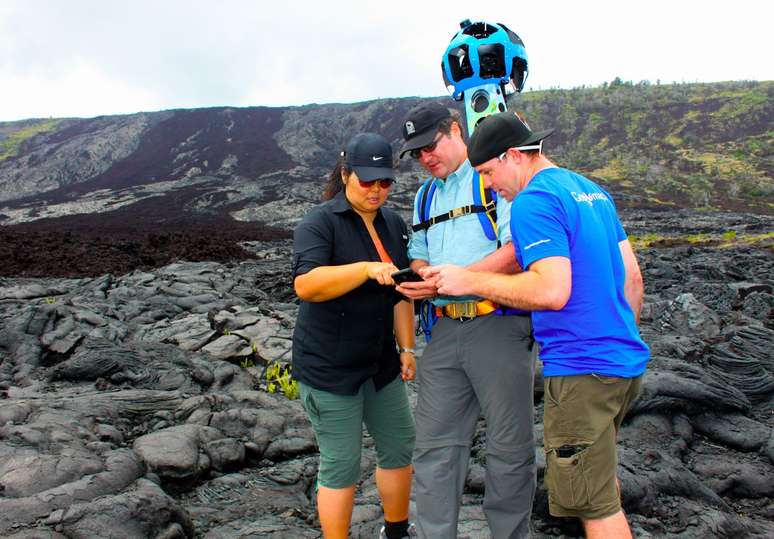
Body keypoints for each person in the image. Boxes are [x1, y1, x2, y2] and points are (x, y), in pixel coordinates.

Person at [423, 111, 650, 539]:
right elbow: (633, 278)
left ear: (513, 156)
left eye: (489, 172)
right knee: (600, 481)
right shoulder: (589, 191)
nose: (491, 186)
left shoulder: (533, 200)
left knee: (594, 506)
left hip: (581, 368)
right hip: (622, 363)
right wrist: (619, 342)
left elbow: (552, 291)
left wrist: (468, 280)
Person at [395, 103, 536, 539]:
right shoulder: (424, 196)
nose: (424, 158)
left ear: (455, 130)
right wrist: (424, 277)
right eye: (416, 153)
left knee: (509, 448)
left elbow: (518, 251)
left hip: (498, 325)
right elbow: (418, 251)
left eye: (429, 147)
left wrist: (464, 279)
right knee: (434, 447)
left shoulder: (493, 177)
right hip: (442, 331)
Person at [292, 132, 417, 539]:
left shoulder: (393, 223)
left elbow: (401, 292)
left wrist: (407, 347)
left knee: (399, 447)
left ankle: (396, 532)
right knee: (341, 464)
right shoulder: (320, 222)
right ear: (346, 174)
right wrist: (364, 268)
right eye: (367, 181)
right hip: (330, 368)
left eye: (385, 182)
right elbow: (306, 285)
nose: (377, 190)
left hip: (380, 364)